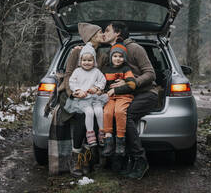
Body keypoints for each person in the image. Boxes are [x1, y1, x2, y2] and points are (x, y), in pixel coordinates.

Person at [103, 21, 158, 179]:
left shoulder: (135, 48)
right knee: (112, 113)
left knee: (125, 116)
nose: (104, 33)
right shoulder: (110, 51)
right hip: (122, 95)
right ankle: (119, 158)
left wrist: (130, 82)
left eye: (107, 30)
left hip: (147, 93)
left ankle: (140, 160)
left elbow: (150, 74)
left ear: (117, 33)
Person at [60, 22, 108, 177]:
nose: (103, 34)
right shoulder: (76, 52)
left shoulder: (103, 55)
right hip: (74, 95)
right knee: (82, 115)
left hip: (93, 95)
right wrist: (74, 93)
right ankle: (76, 158)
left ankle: (88, 158)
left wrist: (99, 90)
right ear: (92, 36)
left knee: (94, 112)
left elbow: (103, 79)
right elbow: (68, 76)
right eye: (100, 32)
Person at [64, 41, 108, 147]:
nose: (86, 62)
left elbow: (102, 80)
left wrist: (97, 87)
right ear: (80, 60)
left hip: (94, 97)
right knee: (89, 112)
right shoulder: (77, 71)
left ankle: (102, 132)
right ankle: (90, 134)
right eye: (84, 60)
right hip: (82, 99)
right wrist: (78, 90)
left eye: (89, 60)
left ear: (94, 61)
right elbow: (72, 82)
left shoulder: (96, 71)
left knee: (98, 111)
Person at [102, 38, 136, 157]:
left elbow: (132, 85)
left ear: (124, 58)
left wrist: (115, 90)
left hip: (124, 97)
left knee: (119, 111)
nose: (118, 59)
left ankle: (120, 141)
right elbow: (102, 85)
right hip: (110, 97)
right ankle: (108, 141)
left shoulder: (126, 69)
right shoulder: (106, 70)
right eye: (115, 56)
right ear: (111, 57)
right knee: (107, 112)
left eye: (120, 56)